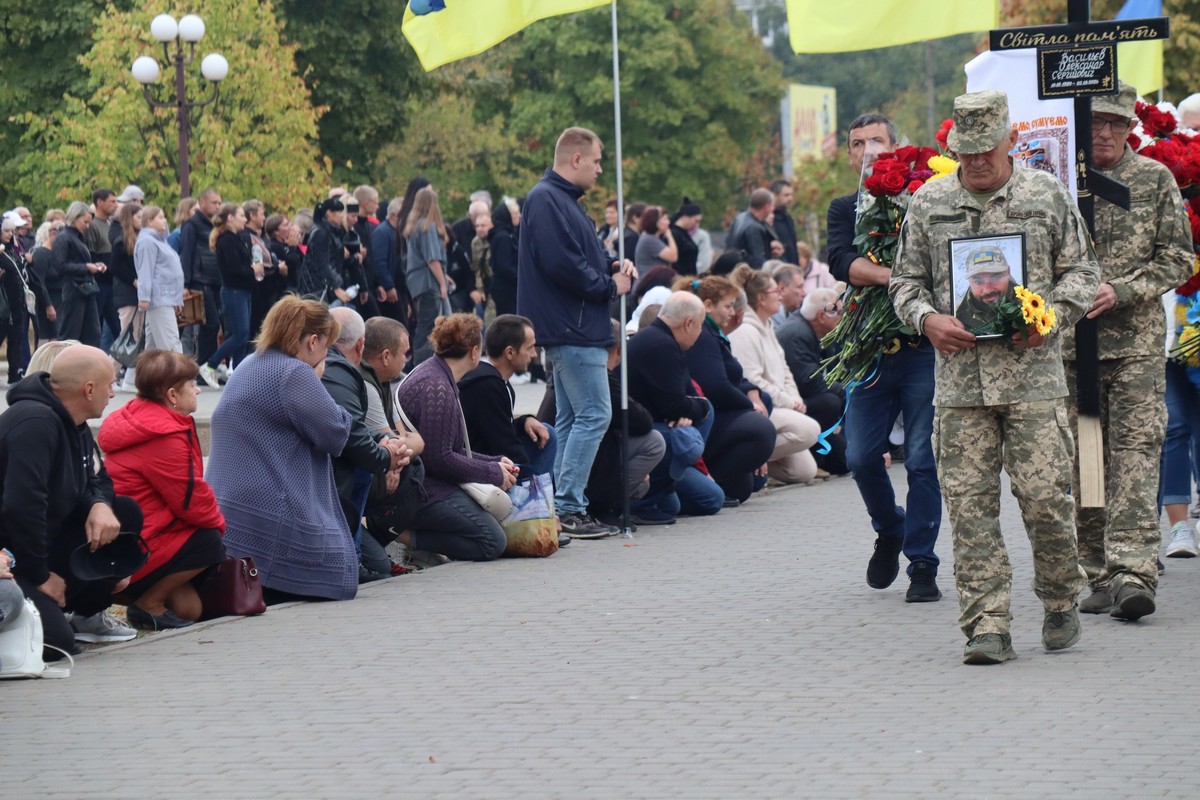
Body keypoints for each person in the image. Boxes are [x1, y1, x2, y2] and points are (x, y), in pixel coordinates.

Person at [890, 89, 1101, 664]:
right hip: (960, 388)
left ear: (1010, 140)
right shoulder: (929, 202)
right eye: (967, 152)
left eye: (987, 149)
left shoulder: (1044, 194)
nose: (977, 161)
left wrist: (1051, 317)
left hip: (1033, 380)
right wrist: (928, 318)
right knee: (969, 509)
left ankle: (1060, 600)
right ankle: (987, 624)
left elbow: (1083, 270)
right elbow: (904, 282)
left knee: (1044, 500)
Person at [1064, 82, 1193, 619]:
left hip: (1135, 347)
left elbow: (1179, 259)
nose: (1104, 134)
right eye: (1094, 124)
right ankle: (1096, 571)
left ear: (1129, 127)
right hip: (1072, 349)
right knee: (1085, 463)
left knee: (1137, 457)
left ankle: (1134, 573)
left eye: (1115, 124)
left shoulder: (1153, 179)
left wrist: (1123, 289)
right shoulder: (1058, 181)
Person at [827, 112, 943, 603]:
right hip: (870, 348)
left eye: (877, 141)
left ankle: (922, 562)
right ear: (850, 154)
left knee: (921, 459)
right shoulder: (843, 206)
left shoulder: (926, 197)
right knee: (859, 456)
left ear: (897, 146)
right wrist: (898, 278)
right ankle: (889, 526)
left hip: (920, 348)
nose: (868, 151)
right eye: (858, 144)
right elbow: (841, 261)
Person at [517, 126, 637, 538]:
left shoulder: (561, 200)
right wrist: (608, 286)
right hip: (574, 325)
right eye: (598, 160)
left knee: (570, 418)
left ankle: (560, 504)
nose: (601, 169)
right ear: (576, 159)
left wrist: (613, 267)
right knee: (594, 414)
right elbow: (561, 264)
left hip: (574, 323)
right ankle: (568, 505)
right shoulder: (548, 200)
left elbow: (583, 258)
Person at [206, 296, 357, 602]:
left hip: (228, 512)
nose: (327, 354)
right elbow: (336, 434)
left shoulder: (250, 362)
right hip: (268, 511)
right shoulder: (294, 373)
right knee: (341, 576)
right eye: (328, 346)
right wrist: (316, 380)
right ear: (313, 342)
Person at [0, 345, 143, 656]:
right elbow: (23, 507)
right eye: (111, 385)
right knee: (55, 645)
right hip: (10, 558)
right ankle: (45, 611)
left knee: (123, 512)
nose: (114, 393)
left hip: (39, 546)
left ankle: (80, 614)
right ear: (88, 389)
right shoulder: (35, 422)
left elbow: (97, 479)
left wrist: (99, 503)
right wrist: (41, 577)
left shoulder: (74, 423)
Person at [96, 350, 227, 629]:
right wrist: (221, 527)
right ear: (172, 395)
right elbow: (192, 500)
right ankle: (147, 605)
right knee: (209, 542)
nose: (198, 391)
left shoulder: (141, 416)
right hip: (141, 540)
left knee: (190, 609)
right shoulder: (163, 435)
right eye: (192, 385)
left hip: (138, 535)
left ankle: (142, 599)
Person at [393, 313, 514, 562]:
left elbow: (448, 448)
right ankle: (404, 536)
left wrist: (495, 461)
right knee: (493, 541)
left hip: (422, 482)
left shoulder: (434, 373)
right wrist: (492, 472)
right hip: (422, 489)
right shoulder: (438, 387)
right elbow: (441, 458)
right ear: (473, 352)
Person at [321, 308, 411, 581]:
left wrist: (387, 446)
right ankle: (351, 560)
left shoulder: (366, 377)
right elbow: (351, 435)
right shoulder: (342, 370)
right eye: (405, 353)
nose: (407, 360)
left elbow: (398, 436)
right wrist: (387, 457)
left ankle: (355, 557)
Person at [676, 275, 778, 503]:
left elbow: (736, 376)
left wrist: (752, 392)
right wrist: (750, 405)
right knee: (761, 429)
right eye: (728, 306)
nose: (733, 312)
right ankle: (713, 478)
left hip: (721, 412)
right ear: (708, 306)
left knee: (746, 486)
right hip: (709, 416)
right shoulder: (703, 337)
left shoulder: (715, 334)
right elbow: (717, 386)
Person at [626, 292, 725, 518]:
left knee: (687, 504)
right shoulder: (661, 345)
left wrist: (695, 408)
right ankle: (644, 502)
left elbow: (685, 396)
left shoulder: (663, 339)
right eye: (700, 326)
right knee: (707, 499)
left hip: (657, 428)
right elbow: (675, 406)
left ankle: (669, 483)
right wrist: (699, 408)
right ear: (688, 323)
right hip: (646, 436)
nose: (700, 333)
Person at [727, 266, 822, 485]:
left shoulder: (767, 326)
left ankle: (760, 463)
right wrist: (788, 402)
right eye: (774, 292)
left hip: (781, 405)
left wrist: (795, 399)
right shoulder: (745, 331)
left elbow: (785, 369)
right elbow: (752, 381)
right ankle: (739, 458)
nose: (780, 295)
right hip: (764, 407)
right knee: (809, 430)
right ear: (761, 298)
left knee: (804, 471)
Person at [459, 314, 557, 477]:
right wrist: (530, 485)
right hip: (478, 469)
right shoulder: (487, 385)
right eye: (530, 348)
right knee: (546, 438)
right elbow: (504, 446)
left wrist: (524, 421)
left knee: (546, 432)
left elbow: (497, 427)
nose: (534, 354)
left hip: (487, 457)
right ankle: (536, 500)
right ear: (510, 352)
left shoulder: (495, 380)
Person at [777, 287, 849, 476]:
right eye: (840, 312)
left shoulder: (819, 332)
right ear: (822, 315)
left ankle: (819, 457)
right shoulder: (796, 334)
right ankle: (812, 458)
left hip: (807, 405)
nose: (843, 317)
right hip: (793, 405)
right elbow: (811, 383)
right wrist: (846, 393)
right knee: (830, 402)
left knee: (846, 460)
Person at [198, 204, 262, 387]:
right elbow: (234, 270)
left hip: (242, 290)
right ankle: (210, 365)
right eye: (241, 215)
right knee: (240, 334)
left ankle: (239, 376)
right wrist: (253, 269)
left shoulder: (233, 238)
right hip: (234, 291)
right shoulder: (227, 240)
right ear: (230, 218)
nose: (244, 218)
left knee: (242, 335)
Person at [405, 186, 451, 364]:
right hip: (428, 282)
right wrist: (442, 283)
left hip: (417, 283)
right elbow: (432, 259)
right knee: (429, 327)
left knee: (424, 324)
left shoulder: (414, 227)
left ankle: (421, 365)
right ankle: (423, 367)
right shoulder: (427, 227)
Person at [180, 188, 223, 366]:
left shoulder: (214, 225)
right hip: (200, 279)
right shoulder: (192, 224)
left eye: (220, 203)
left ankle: (208, 365)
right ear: (202, 202)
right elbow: (186, 254)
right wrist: (185, 283)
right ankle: (204, 364)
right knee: (210, 324)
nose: (218, 207)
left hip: (214, 280)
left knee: (213, 325)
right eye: (214, 203)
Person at [54, 201, 106, 348]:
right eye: (85, 222)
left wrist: (94, 265)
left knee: (92, 333)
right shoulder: (64, 237)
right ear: (75, 218)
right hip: (73, 290)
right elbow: (59, 266)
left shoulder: (77, 237)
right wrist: (86, 267)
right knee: (71, 333)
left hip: (85, 289)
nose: (87, 226)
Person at [134, 206, 185, 355]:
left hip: (165, 297)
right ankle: (178, 377)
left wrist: (177, 299)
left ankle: (134, 378)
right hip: (159, 298)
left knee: (152, 350)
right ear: (149, 221)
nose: (165, 221)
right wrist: (143, 297)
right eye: (160, 217)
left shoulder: (161, 241)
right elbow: (145, 270)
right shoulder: (147, 241)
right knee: (170, 344)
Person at [109, 201, 143, 390]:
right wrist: (133, 280)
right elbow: (115, 267)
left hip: (135, 293)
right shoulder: (122, 240)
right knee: (126, 337)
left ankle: (130, 379)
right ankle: (109, 375)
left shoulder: (137, 238)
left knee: (136, 337)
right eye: (138, 217)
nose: (142, 220)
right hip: (126, 293)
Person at [86, 188, 122, 349]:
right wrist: (105, 269)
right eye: (112, 201)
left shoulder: (110, 224)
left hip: (112, 283)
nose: (116, 205)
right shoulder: (93, 226)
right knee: (96, 327)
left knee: (119, 327)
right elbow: (91, 255)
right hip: (100, 283)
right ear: (100, 203)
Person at [954, 246, 1018, 335]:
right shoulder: (957, 317)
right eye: (978, 281)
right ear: (969, 281)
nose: (988, 290)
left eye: (996, 277)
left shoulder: (1030, 304)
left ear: (1008, 272)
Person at [726, 189, 783, 269]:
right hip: (745, 274)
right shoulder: (754, 228)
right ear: (766, 206)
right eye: (772, 206)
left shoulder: (739, 218)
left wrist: (768, 248)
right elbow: (758, 261)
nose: (773, 209)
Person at [30, 220, 63, 343]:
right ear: (52, 235)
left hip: (61, 300)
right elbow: (39, 282)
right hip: (49, 300)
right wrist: (48, 305)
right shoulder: (41, 254)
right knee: (51, 337)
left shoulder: (57, 253)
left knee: (59, 336)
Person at [488, 198, 521, 316]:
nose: (519, 216)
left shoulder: (507, 234)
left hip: (507, 286)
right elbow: (504, 265)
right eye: (516, 213)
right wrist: (520, 276)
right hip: (506, 288)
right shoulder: (503, 237)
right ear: (508, 216)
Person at [634, 206, 679, 272]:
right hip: (649, 281)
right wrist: (669, 236)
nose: (668, 222)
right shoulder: (649, 240)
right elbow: (673, 257)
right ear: (656, 221)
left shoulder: (650, 238)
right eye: (665, 219)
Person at [668, 199, 702, 276]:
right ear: (685, 217)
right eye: (696, 221)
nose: (697, 225)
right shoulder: (674, 234)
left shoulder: (684, 234)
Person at [770, 179, 800, 265]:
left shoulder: (787, 218)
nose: (790, 198)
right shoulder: (768, 220)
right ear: (774, 195)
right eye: (786, 195)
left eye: (791, 195)